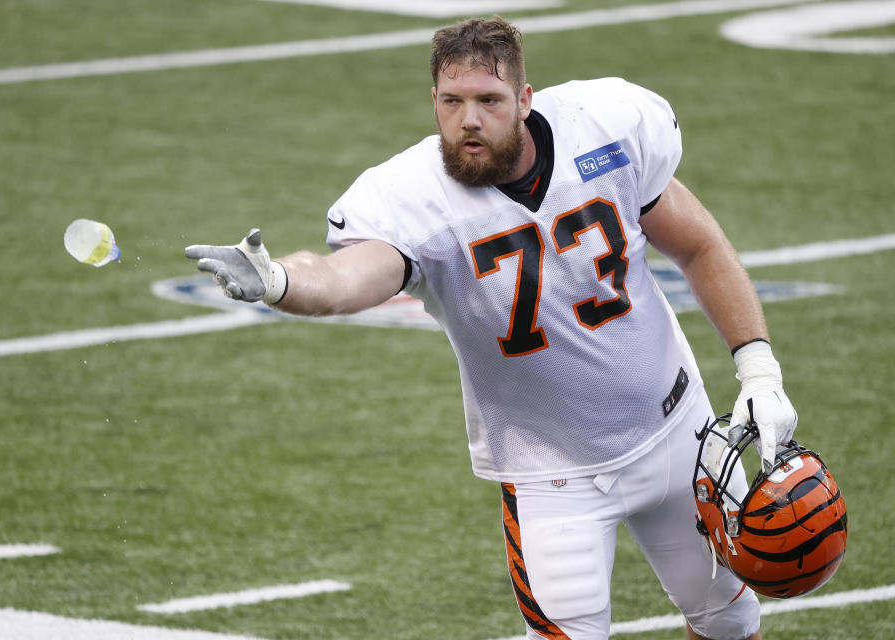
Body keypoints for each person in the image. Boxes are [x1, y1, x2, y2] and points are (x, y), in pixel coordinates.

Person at [185, 16, 798, 640]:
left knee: (730, 622)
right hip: (549, 473)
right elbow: (344, 279)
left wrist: (759, 371)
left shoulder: (606, 125)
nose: (469, 120)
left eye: (488, 100)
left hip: (676, 430)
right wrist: (282, 281)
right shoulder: (412, 196)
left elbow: (700, 247)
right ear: (433, 102)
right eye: (452, 102)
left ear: (526, 100)